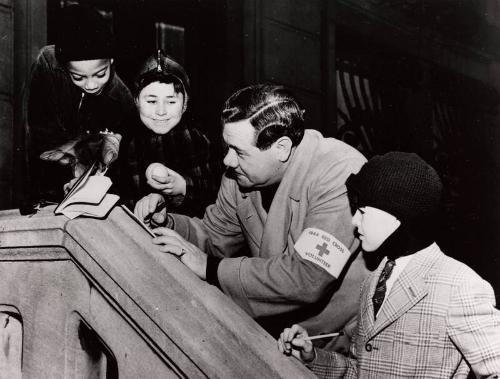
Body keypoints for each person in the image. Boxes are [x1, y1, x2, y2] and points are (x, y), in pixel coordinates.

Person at [136, 84, 370, 343]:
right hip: (277, 336)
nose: (228, 161)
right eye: (228, 148)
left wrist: (210, 268)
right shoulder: (241, 175)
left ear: (281, 148)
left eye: (240, 152)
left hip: (336, 344)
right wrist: (169, 223)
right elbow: (215, 236)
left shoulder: (340, 172)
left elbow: (307, 277)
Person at [278, 152, 500, 378]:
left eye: (362, 211)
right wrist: (313, 358)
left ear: (397, 217)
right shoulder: (374, 280)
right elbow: (362, 370)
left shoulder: (459, 286)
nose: (354, 221)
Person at [23, 4, 136, 204]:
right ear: (64, 67)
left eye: (100, 74)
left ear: (110, 60)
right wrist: (71, 168)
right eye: (78, 77)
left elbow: (123, 159)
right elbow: (40, 133)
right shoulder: (49, 64)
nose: (91, 85)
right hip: (49, 177)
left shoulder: (122, 98)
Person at [130, 51, 222, 217]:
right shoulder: (127, 139)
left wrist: (183, 187)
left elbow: (216, 194)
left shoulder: (197, 140)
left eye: (171, 101)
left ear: (185, 104)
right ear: (136, 101)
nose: (161, 111)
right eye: (151, 101)